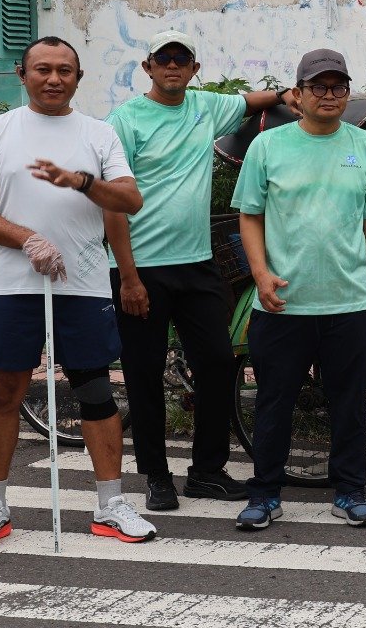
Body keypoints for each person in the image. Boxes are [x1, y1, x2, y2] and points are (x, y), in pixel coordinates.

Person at [0, 36, 156, 549]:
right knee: (5, 391)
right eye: (42, 69)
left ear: (78, 77)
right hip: (13, 283)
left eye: (65, 70)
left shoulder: (98, 133)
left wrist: (82, 181)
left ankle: (110, 505)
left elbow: (128, 199)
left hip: (84, 283)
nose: (53, 78)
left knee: (94, 390)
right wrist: (27, 238)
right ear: (22, 74)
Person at [105, 30, 296, 513]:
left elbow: (254, 100)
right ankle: (155, 476)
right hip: (140, 269)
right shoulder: (124, 120)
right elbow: (110, 201)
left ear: (193, 70)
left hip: (195, 264)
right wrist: (127, 277)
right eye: (163, 59)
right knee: (143, 374)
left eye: (182, 60)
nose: (173, 66)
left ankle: (207, 471)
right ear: (148, 67)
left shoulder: (205, 107)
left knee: (218, 362)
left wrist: (287, 94)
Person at [230, 49, 366, 530]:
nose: (329, 95)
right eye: (318, 87)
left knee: (349, 401)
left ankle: (349, 491)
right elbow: (250, 216)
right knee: (273, 401)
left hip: (348, 300)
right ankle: (264, 493)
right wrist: (260, 274)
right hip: (283, 301)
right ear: (298, 95)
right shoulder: (269, 146)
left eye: (338, 87)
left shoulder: (364, 146)